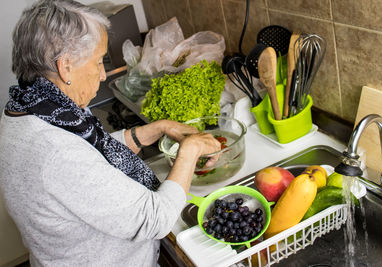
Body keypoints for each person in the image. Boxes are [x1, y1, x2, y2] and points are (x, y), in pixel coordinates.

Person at [0, 0, 221, 266]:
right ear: (65, 66)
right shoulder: (55, 152)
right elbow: (155, 220)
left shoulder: (34, 107)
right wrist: (190, 151)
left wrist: (152, 130)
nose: (103, 75)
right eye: (98, 61)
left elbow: (90, 158)